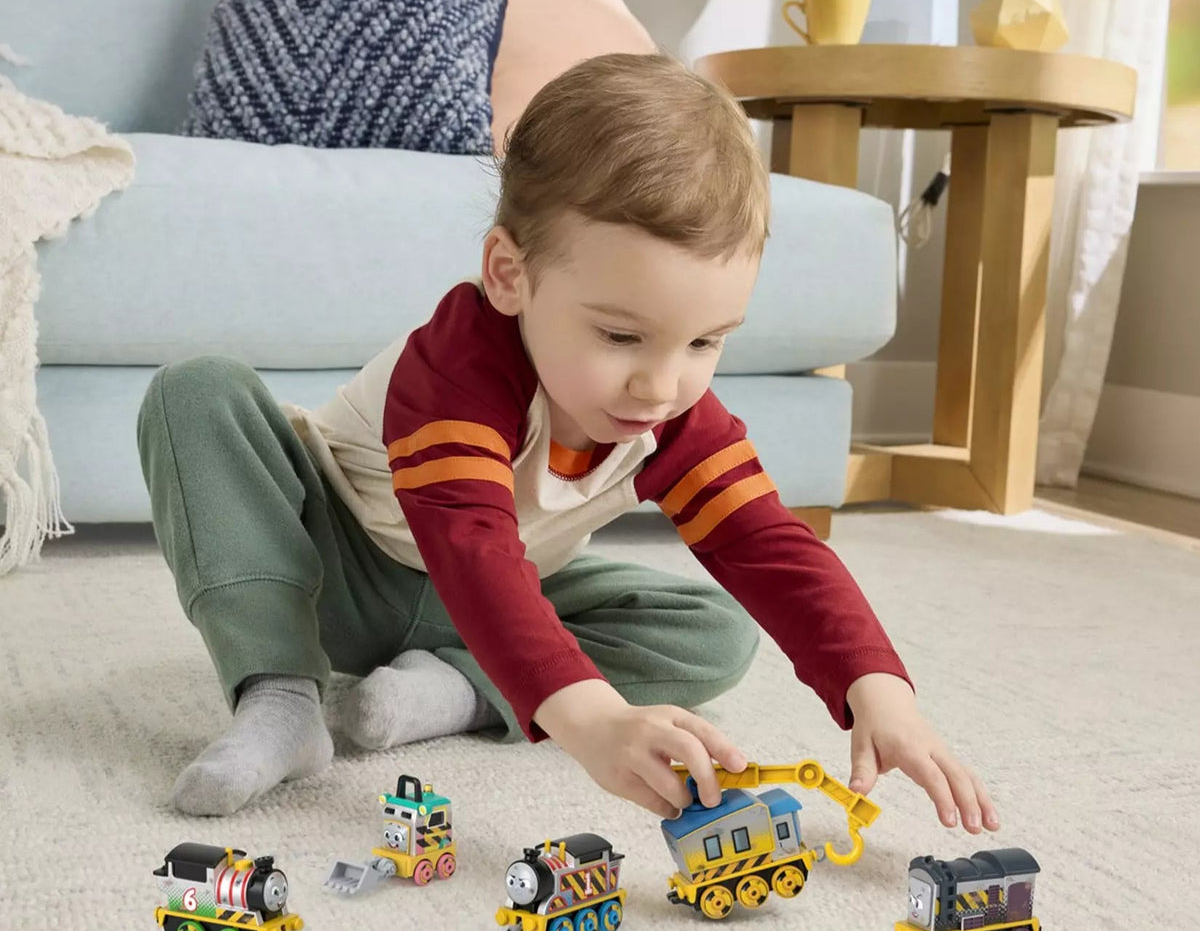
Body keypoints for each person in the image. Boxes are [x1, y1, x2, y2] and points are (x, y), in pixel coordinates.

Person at [138, 53, 998, 834]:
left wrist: (878, 691)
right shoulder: (462, 361)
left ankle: (454, 689)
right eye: (621, 337)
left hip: (486, 604)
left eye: (704, 342)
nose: (661, 386)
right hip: (334, 570)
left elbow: (769, 544)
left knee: (713, 633)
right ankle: (283, 694)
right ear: (510, 274)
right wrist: (588, 720)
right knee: (197, 389)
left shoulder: (669, 417)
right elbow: (469, 541)